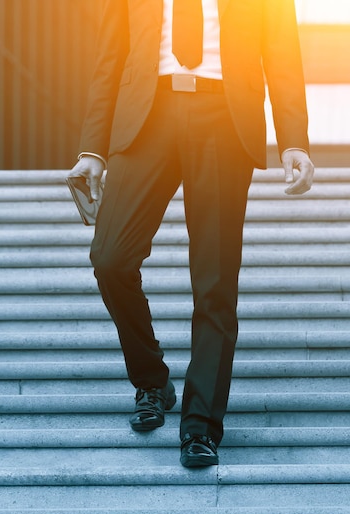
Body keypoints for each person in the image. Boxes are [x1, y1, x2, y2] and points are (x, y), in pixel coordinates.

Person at [68, 0, 314, 468]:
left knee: (214, 283)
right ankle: (152, 380)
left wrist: (294, 140)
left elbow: (282, 49)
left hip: (224, 117)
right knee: (110, 257)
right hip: (147, 116)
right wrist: (92, 149)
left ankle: (200, 424)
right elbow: (110, 55)